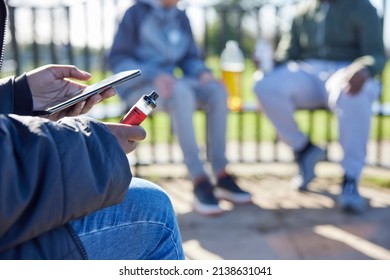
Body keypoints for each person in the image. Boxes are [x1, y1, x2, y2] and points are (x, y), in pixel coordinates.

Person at [0, 0, 184, 259]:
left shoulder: (180, 16)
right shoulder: (137, 14)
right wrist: (95, 147)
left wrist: (17, 97)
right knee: (153, 211)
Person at [108, 0, 252, 216]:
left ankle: (221, 174)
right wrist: (154, 73)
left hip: (174, 84)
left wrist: (202, 71)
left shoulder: (180, 17)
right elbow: (118, 60)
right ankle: (199, 180)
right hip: (141, 86)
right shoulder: (135, 13)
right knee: (182, 93)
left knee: (216, 91)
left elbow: (190, 59)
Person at [253, 0, 386, 214]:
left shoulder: (363, 7)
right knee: (264, 84)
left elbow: (376, 54)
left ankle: (351, 178)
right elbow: (289, 52)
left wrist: (364, 67)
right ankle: (305, 150)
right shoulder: (302, 9)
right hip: (308, 71)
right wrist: (271, 62)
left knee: (353, 93)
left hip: (346, 70)